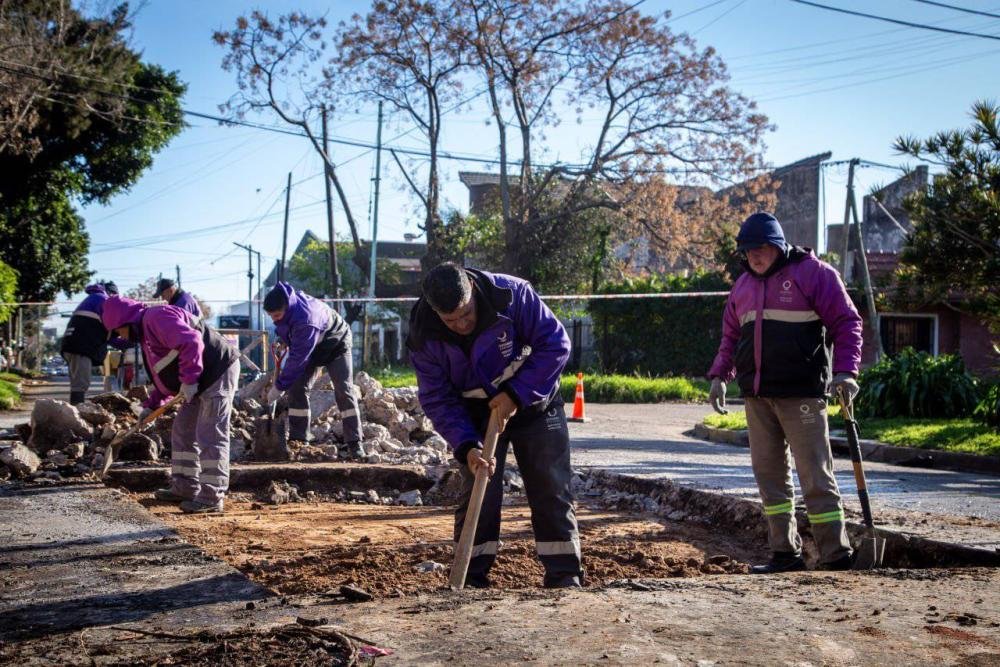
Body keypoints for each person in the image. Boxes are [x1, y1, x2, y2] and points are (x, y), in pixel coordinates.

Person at [407, 262, 583, 589]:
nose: (461, 324)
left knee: (550, 485)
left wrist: (515, 395)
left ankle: (564, 577)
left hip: (535, 400)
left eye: (466, 314)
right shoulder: (423, 335)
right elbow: (437, 397)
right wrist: (467, 445)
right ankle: (470, 579)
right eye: (451, 320)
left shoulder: (511, 295)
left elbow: (556, 344)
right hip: (475, 415)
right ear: (435, 312)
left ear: (472, 290)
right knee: (478, 491)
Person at [708, 212, 862, 574]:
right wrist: (719, 376)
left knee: (815, 477)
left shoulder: (814, 275)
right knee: (770, 480)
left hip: (802, 395)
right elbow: (730, 338)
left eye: (761, 249)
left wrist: (846, 372)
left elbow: (847, 322)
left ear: (777, 246)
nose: (755, 257)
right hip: (757, 397)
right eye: (748, 251)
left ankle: (836, 556)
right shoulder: (742, 286)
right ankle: (784, 554)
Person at [102, 295, 239, 514]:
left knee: (210, 431)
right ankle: (185, 487)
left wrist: (189, 380)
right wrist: (152, 405)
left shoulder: (157, 317)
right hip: (199, 378)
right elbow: (165, 375)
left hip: (217, 370)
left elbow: (191, 341)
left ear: (124, 322)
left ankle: (212, 496)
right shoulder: (147, 333)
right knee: (183, 430)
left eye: (119, 331)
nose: (121, 337)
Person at [263, 282, 363, 458]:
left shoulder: (306, 320)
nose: (275, 320)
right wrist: (283, 338)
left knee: (343, 390)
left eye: (277, 315)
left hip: (336, 343)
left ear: (287, 307)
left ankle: (355, 443)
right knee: (296, 388)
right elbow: (287, 327)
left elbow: (296, 361)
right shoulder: (287, 306)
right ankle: (299, 439)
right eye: (272, 317)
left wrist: (278, 388)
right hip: (312, 343)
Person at [60, 281, 119, 405]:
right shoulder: (103, 300)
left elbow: (107, 332)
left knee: (78, 383)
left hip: (73, 345)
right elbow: (113, 326)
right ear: (111, 293)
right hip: (80, 347)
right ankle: (76, 416)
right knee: (80, 384)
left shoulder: (93, 299)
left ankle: (75, 413)